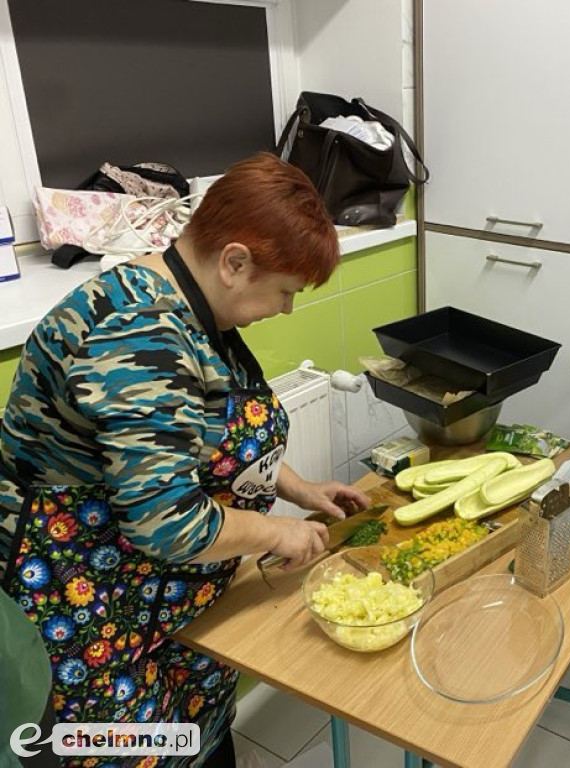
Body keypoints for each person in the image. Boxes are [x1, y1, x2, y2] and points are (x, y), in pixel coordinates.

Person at [0, 152, 370, 767]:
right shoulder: (140, 335)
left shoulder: (189, 300)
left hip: (162, 599)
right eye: (284, 292)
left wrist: (299, 489)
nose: (286, 310)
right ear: (235, 262)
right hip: (91, 614)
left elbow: (208, 434)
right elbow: (166, 523)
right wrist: (278, 531)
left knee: (197, 741)